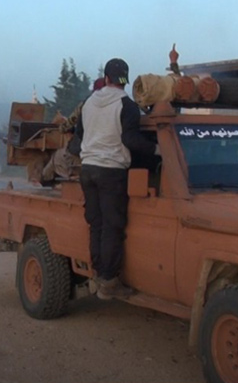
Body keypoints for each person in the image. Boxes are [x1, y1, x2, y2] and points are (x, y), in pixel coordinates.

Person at [75, 58, 158, 299]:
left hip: (87, 169)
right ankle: (108, 283)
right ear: (124, 81)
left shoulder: (88, 103)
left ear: (107, 78)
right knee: (112, 227)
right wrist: (156, 150)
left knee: (96, 224)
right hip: (111, 171)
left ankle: (98, 274)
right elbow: (130, 141)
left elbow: (79, 136)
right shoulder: (127, 106)